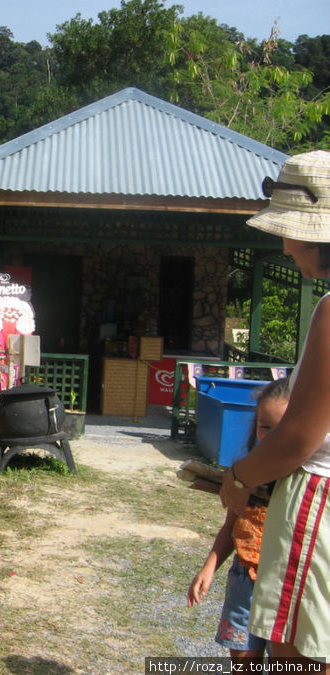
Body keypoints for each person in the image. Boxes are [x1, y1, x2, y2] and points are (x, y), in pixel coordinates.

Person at [220, 149, 330, 668]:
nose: (285, 246)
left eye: (289, 232)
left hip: (316, 495)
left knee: (296, 649)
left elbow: (298, 437)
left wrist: (239, 476)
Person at [188, 378, 291, 667]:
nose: (270, 436)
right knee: (244, 664)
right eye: (264, 427)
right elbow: (231, 527)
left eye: (280, 428)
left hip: (285, 586)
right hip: (244, 584)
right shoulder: (244, 474)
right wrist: (208, 569)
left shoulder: (302, 482)